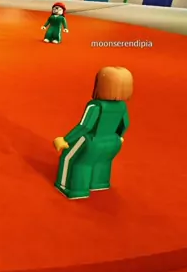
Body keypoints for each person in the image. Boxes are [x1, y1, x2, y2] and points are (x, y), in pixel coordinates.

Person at [52, 67, 132, 199]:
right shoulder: (122, 106)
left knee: (73, 160)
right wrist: (119, 137)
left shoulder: (95, 105)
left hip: (92, 141)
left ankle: (72, 188)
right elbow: (125, 124)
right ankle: (99, 183)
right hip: (113, 141)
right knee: (103, 162)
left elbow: (85, 126)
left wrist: (66, 139)